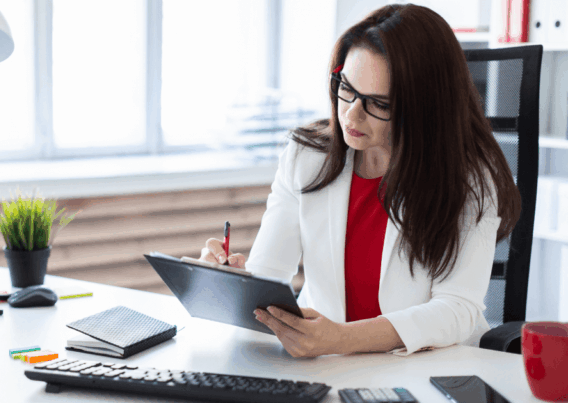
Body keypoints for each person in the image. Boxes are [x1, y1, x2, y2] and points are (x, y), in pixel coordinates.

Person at [199, 3, 520, 357]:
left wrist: (343, 339)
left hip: (428, 366)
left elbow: (457, 308)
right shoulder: (307, 155)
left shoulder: (469, 178)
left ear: (422, 108)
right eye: (346, 88)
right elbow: (269, 272)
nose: (351, 113)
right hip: (328, 365)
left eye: (377, 103)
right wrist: (230, 281)